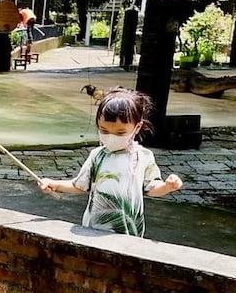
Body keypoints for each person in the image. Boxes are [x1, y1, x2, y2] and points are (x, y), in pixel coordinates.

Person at [38, 87, 183, 236]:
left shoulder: (144, 157)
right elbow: (80, 186)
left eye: (120, 132)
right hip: (94, 228)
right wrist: (54, 184)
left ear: (137, 127)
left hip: (129, 231)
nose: (111, 137)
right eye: (104, 131)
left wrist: (167, 186)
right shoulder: (97, 155)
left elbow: (151, 188)